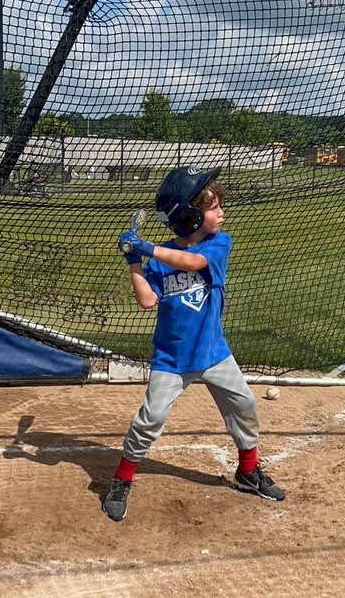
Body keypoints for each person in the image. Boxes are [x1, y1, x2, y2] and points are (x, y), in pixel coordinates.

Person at [102, 166, 285, 522]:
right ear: (190, 216)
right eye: (214, 208)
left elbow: (193, 262)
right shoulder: (159, 258)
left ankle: (248, 472)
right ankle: (122, 478)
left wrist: (146, 246)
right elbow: (146, 301)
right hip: (171, 359)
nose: (221, 214)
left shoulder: (219, 243)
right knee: (150, 418)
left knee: (244, 406)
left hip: (214, 352)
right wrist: (134, 261)